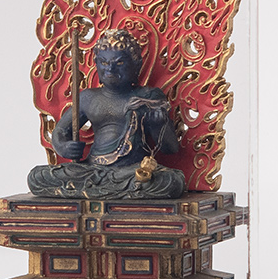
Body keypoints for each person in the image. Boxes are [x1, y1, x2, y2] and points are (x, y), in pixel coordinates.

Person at [27, 29, 186, 199]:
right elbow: (60, 131)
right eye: (103, 62)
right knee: (37, 176)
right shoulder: (88, 97)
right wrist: (63, 147)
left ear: (136, 65)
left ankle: (87, 192)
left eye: (119, 63)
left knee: (171, 181)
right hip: (91, 170)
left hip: (131, 171)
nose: (110, 69)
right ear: (96, 64)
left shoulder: (148, 97)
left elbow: (170, 148)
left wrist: (157, 125)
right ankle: (114, 192)